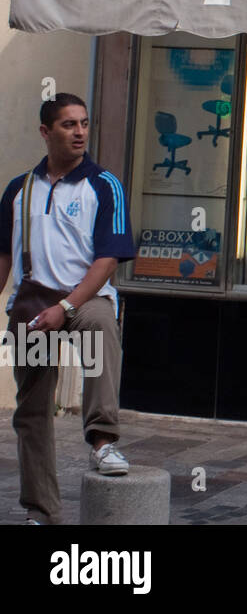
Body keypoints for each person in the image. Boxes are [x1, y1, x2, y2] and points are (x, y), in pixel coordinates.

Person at [0, 94, 136, 524]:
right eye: (68, 125)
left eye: (84, 123)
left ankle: (102, 441)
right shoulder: (19, 189)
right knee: (32, 411)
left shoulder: (104, 184)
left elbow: (107, 261)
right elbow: (3, 257)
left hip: (85, 297)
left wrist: (67, 305)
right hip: (33, 303)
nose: (80, 132)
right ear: (45, 132)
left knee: (99, 329)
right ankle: (41, 514)